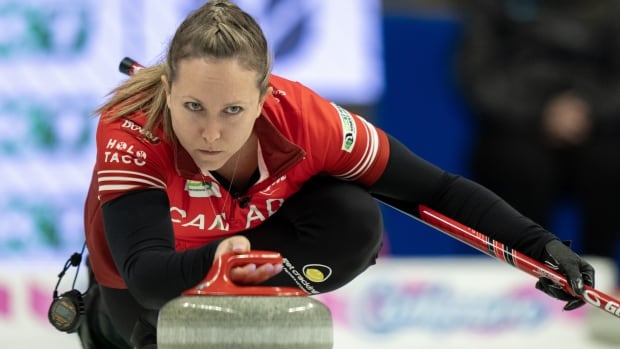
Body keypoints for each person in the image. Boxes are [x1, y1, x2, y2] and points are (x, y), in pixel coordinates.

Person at [76, 1, 594, 348]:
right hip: (148, 275)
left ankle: (247, 299)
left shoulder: (308, 120)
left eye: (232, 110)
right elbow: (145, 274)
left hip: (241, 254)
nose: (210, 133)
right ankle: (103, 320)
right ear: (168, 92)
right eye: (193, 106)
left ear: (263, 98)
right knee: (142, 316)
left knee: (352, 216)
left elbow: (435, 190)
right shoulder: (132, 130)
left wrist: (541, 247)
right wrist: (213, 261)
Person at [455, 0, 620, 260]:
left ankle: (597, 277)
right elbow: (477, 77)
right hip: (516, 128)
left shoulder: (610, 10)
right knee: (519, 165)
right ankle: (528, 273)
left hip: (590, 126)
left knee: (609, 164)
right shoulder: (493, 7)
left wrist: (587, 110)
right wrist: (540, 114)